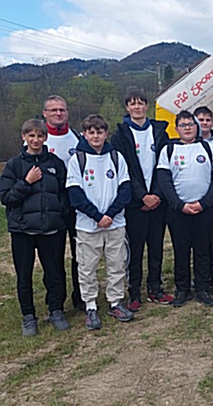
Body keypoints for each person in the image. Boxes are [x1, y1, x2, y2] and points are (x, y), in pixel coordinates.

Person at [0, 119, 69, 336]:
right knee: (24, 276)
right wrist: (26, 182)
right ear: (24, 137)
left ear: (45, 138)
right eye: (31, 136)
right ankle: (28, 316)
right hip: (23, 230)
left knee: (55, 273)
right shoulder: (14, 165)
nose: (36, 140)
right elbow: (6, 198)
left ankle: (56, 310)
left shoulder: (56, 163)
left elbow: (64, 193)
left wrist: (59, 213)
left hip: (51, 229)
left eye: (40, 136)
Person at [66, 114, 133, 330]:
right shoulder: (77, 159)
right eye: (91, 132)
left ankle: (115, 302)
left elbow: (125, 190)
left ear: (106, 134)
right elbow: (75, 194)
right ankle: (91, 306)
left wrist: (110, 215)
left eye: (100, 132)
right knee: (87, 267)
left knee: (117, 264)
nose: (96, 136)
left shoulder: (116, 157)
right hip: (88, 225)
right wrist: (97, 216)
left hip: (115, 223)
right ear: (84, 134)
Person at [111, 89, 173, 311]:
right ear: (127, 107)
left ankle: (155, 288)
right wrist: (142, 196)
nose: (137, 107)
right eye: (132, 104)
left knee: (156, 248)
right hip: (135, 203)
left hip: (158, 201)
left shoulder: (159, 131)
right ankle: (134, 292)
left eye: (140, 103)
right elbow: (123, 170)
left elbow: (165, 166)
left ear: (147, 106)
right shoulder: (120, 135)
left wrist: (156, 195)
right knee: (135, 251)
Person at [156, 110, 213, 308]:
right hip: (178, 211)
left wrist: (205, 203)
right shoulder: (169, 150)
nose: (187, 128)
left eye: (190, 124)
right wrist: (180, 205)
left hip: (205, 209)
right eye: (183, 125)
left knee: (203, 250)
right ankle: (182, 289)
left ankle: (202, 287)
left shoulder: (208, 148)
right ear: (176, 129)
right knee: (181, 251)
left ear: (197, 127)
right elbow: (164, 181)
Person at [42, 95, 83, 310]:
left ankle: (81, 296)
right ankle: (56, 301)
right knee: (54, 257)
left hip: (75, 205)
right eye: (53, 110)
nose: (58, 113)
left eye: (62, 110)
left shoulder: (77, 138)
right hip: (52, 207)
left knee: (80, 254)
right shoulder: (39, 138)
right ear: (45, 114)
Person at [193, 105, 213, 290]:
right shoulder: (188, 142)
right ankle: (201, 274)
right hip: (198, 199)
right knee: (200, 240)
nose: (204, 123)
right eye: (200, 120)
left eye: (207, 120)